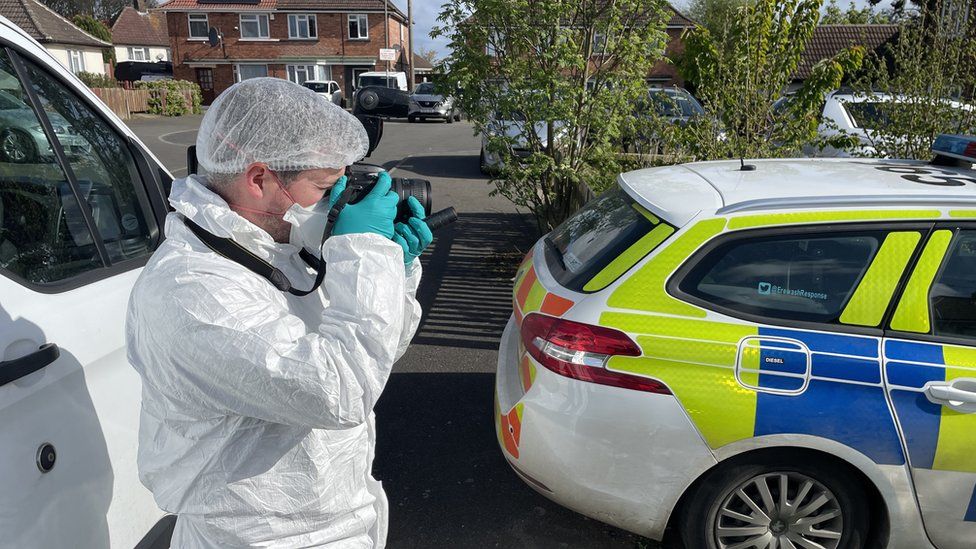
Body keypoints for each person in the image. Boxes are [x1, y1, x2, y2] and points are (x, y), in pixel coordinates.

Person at [126, 77, 431, 548]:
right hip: (260, 537)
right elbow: (340, 391)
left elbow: (376, 357)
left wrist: (393, 272)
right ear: (259, 179)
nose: (337, 201)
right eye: (326, 186)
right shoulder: (192, 289)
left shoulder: (274, 250)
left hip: (330, 520)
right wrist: (364, 253)